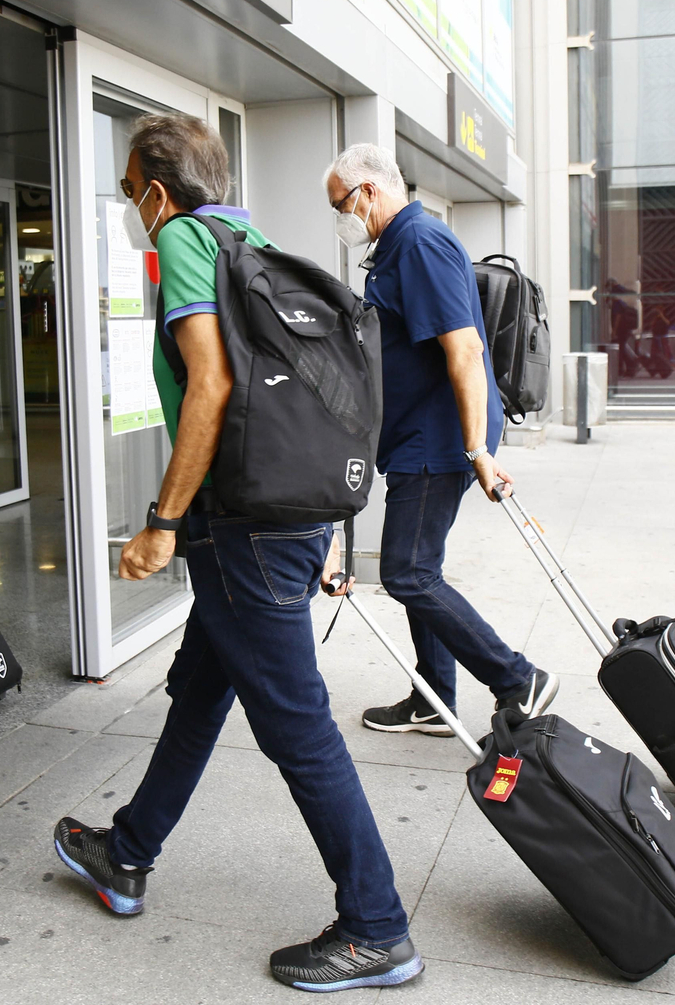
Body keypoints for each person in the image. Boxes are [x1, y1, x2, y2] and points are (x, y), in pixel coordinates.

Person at [52, 116, 421, 993]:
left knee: (297, 725)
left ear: (155, 188)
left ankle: (377, 927)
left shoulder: (184, 238)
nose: (130, 204)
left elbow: (212, 386)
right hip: (279, 519)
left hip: (241, 530)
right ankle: (128, 852)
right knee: (200, 693)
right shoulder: (252, 242)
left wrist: (162, 520)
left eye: (128, 188)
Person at [319, 143, 557, 737]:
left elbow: (465, 348)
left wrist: (477, 450)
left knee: (408, 572)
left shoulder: (421, 243)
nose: (340, 218)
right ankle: (433, 698)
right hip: (417, 436)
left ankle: (518, 678)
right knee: (422, 567)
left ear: (368, 191)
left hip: (436, 438)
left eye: (340, 205)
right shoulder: (398, 246)